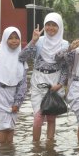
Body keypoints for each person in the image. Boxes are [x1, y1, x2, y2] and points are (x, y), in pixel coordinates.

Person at [19, 12, 69, 142]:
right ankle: (36, 146)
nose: (50, 28)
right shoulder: (39, 42)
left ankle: (50, 145)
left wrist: (60, 84)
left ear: (60, 27)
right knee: (38, 117)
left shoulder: (65, 45)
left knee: (51, 117)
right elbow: (22, 57)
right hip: (38, 81)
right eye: (48, 25)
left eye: (54, 25)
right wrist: (33, 41)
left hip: (55, 82)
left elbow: (65, 67)